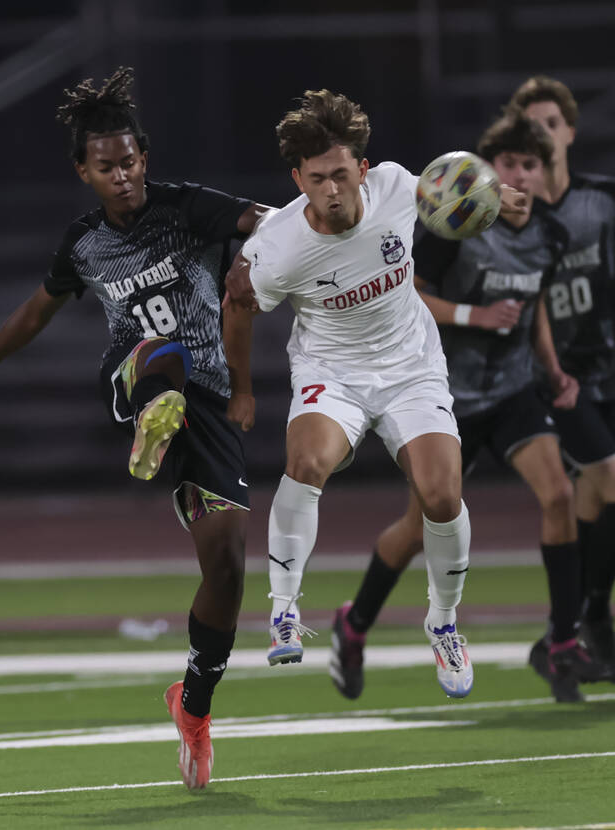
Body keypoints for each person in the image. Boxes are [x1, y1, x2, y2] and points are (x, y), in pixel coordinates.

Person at [0, 68, 268, 790]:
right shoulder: (86, 244)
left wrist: (263, 250)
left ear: (144, 159)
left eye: (130, 162)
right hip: (134, 377)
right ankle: (152, 418)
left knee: (226, 570)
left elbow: (268, 218)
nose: (122, 176)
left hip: (210, 407)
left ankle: (192, 705)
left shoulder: (188, 208)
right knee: (161, 353)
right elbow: (38, 309)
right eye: (106, 167)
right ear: (83, 173)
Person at [223, 89, 527, 699]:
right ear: (297, 179)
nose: (330, 189)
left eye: (340, 174)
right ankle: (284, 608)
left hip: (412, 365)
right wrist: (242, 391)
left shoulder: (392, 185)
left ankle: (443, 623)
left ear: (362, 170)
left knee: (442, 496)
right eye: (316, 179)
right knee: (307, 462)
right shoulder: (276, 247)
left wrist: (498, 195)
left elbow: (448, 189)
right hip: (331, 372)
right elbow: (237, 302)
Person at [327, 112, 604, 704]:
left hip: (511, 393)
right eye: (508, 164)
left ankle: (560, 640)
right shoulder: (452, 225)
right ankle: (354, 625)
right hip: (442, 395)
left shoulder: (550, 235)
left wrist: (552, 372)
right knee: (417, 529)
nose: (520, 176)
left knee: (558, 495)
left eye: (532, 164)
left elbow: (536, 310)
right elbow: (408, 292)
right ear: (485, 171)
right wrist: (473, 316)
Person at [507, 76, 615, 685]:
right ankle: (593, 618)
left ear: (571, 131)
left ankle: (561, 641)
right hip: (554, 387)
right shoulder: (511, 216)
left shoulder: (607, 199)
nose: (544, 134)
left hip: (612, 383)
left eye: (552, 123)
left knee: (589, 516)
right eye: (531, 126)